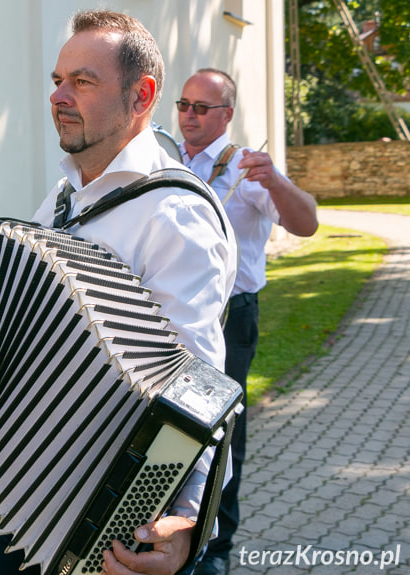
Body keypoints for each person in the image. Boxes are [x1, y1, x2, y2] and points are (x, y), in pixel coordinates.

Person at [0, 11, 237, 575]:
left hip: (108, 518)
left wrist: (188, 522)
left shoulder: (175, 214)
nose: (59, 96)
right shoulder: (64, 196)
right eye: (56, 80)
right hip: (27, 492)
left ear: (140, 96)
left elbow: (198, 388)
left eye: (82, 82)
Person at [177, 68, 319, 575]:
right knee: (169, 426)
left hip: (230, 318)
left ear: (227, 115)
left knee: (220, 432)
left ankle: (214, 548)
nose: (189, 116)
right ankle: (167, 535)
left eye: (202, 108)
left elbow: (307, 223)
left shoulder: (246, 168)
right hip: (172, 314)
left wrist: (276, 180)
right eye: (184, 105)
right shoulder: (166, 159)